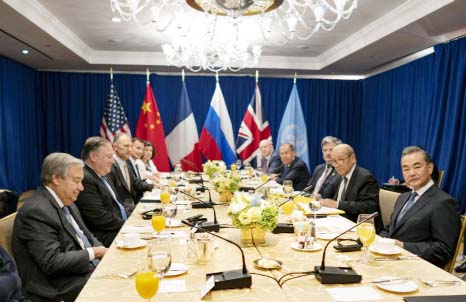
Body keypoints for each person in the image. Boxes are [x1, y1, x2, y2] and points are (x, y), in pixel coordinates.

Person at [12, 153, 107, 302]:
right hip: (57, 287)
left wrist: (104, 253)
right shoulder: (37, 211)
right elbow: (51, 262)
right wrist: (95, 253)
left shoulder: (68, 202)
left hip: (80, 271)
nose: (81, 188)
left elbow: (88, 237)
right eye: (76, 181)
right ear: (56, 179)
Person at [380, 146, 461, 268]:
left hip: (417, 268)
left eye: (417, 167)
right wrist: (380, 241)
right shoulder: (403, 197)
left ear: (430, 168)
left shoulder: (444, 202)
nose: (411, 173)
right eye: (406, 169)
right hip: (390, 261)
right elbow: (390, 229)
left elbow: (443, 250)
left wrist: (403, 246)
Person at [75, 137, 128, 247]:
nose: (113, 161)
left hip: (117, 227)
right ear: (93, 157)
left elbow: (118, 205)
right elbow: (99, 218)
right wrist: (130, 225)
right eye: (109, 157)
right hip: (104, 236)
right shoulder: (85, 179)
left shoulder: (104, 174)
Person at [321, 144, 382, 232]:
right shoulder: (340, 176)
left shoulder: (365, 177)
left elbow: (369, 206)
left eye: (340, 160)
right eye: (334, 161)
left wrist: (337, 204)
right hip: (339, 224)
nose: (337, 165)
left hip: (360, 227)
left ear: (352, 158)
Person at [107, 133, 154, 207]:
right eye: (126, 146)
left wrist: (154, 186)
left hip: (131, 206)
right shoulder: (110, 166)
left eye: (131, 146)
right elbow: (115, 199)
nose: (129, 149)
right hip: (125, 210)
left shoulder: (125, 163)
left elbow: (136, 183)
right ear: (115, 147)